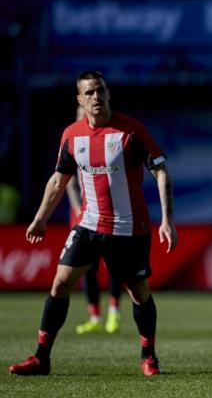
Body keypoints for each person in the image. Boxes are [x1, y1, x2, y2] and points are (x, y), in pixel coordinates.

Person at [9, 70, 177, 376]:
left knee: (138, 291)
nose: (96, 97)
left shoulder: (131, 131)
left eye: (100, 90)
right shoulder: (71, 135)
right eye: (89, 93)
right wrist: (39, 220)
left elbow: (161, 170)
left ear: (108, 93)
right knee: (60, 284)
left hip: (129, 229)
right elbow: (59, 180)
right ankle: (41, 358)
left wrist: (167, 220)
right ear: (79, 99)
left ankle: (148, 355)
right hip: (88, 225)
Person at [66, 105, 123, 335]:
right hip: (82, 214)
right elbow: (68, 181)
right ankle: (95, 316)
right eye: (80, 115)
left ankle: (114, 311)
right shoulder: (72, 138)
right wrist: (79, 209)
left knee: (114, 264)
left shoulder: (107, 138)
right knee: (86, 267)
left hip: (109, 213)